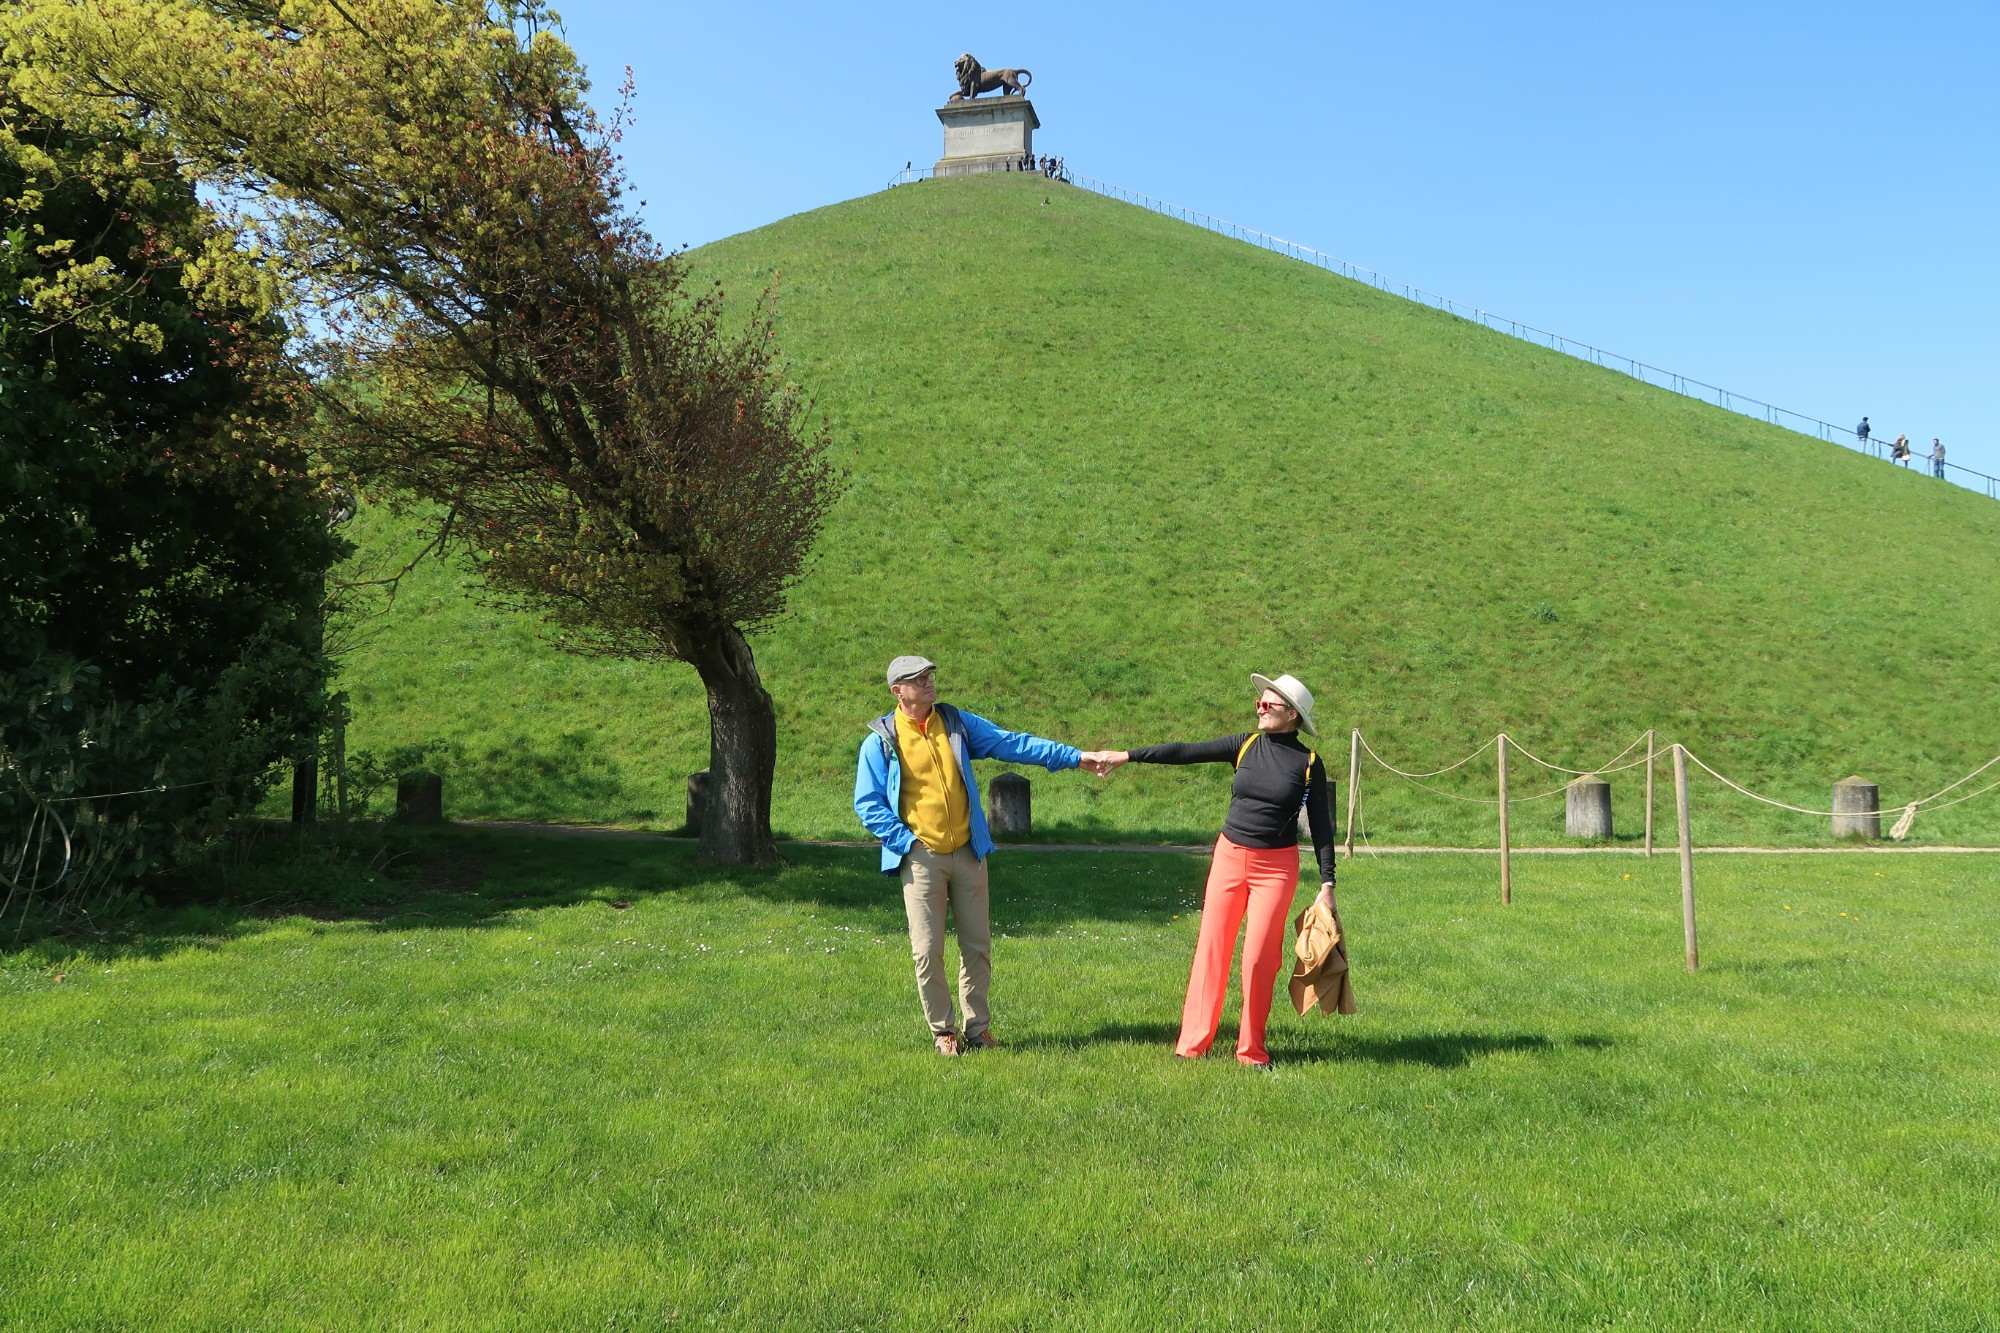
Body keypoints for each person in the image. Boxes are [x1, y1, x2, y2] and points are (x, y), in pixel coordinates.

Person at [854, 655, 1111, 1056]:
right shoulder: (881, 741)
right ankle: (943, 1030)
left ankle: (978, 1029)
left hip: (969, 853)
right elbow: (867, 803)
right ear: (897, 691)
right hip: (921, 858)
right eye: (916, 680)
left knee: (977, 945)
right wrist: (906, 842)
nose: (927, 683)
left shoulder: (955, 724)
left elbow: (1012, 742)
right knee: (927, 949)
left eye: (929, 676)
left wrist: (1076, 757)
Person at [1094, 672, 1336, 1067]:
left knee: (1259, 958)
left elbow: (1322, 826)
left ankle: (1252, 1049)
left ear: (1291, 714)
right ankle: (1193, 1043)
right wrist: (1126, 755)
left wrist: (1327, 882)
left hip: (1276, 868)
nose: (1259, 708)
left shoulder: (1308, 763)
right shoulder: (1246, 744)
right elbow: (1185, 751)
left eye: (1268, 704)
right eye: (1259, 702)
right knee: (1212, 949)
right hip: (1228, 857)